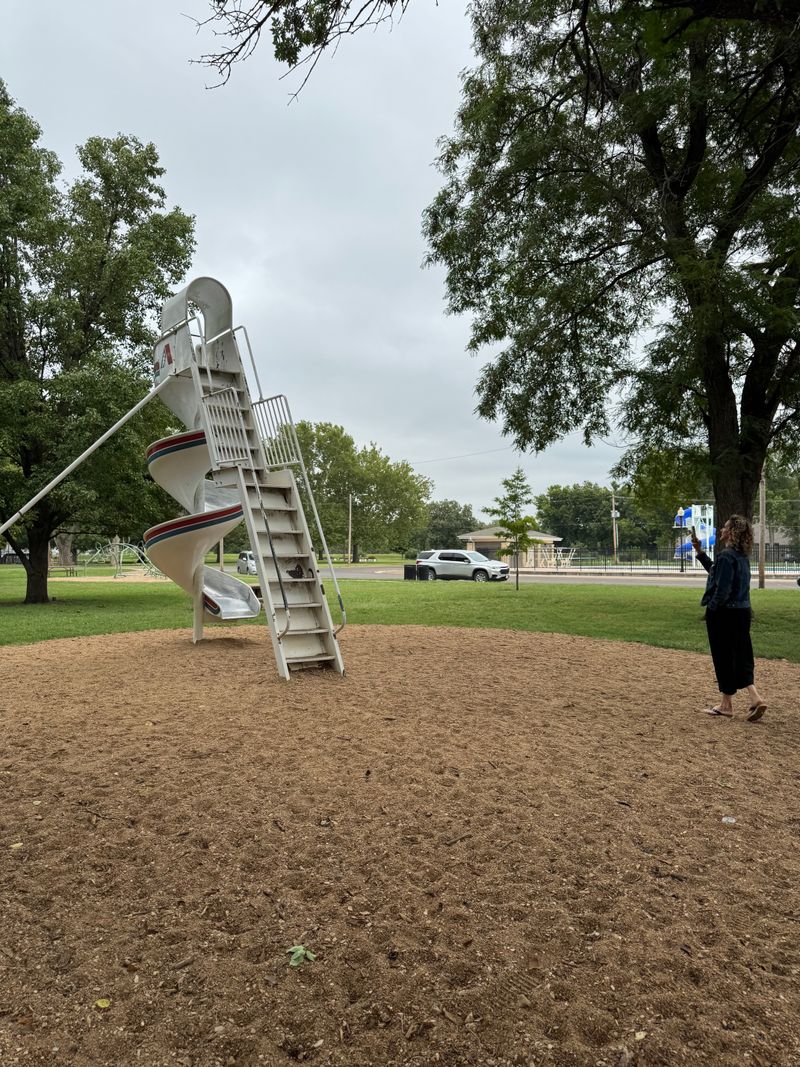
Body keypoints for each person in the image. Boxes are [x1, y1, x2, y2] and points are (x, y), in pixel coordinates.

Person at [691, 515, 767, 721]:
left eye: (725, 528)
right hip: (742, 612)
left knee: (723, 656)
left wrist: (712, 610)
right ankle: (754, 697)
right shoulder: (740, 556)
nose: (721, 530)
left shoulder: (726, 556)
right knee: (741, 654)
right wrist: (699, 552)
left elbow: (722, 589)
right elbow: (717, 574)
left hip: (725, 614)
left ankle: (726, 706)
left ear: (732, 532)